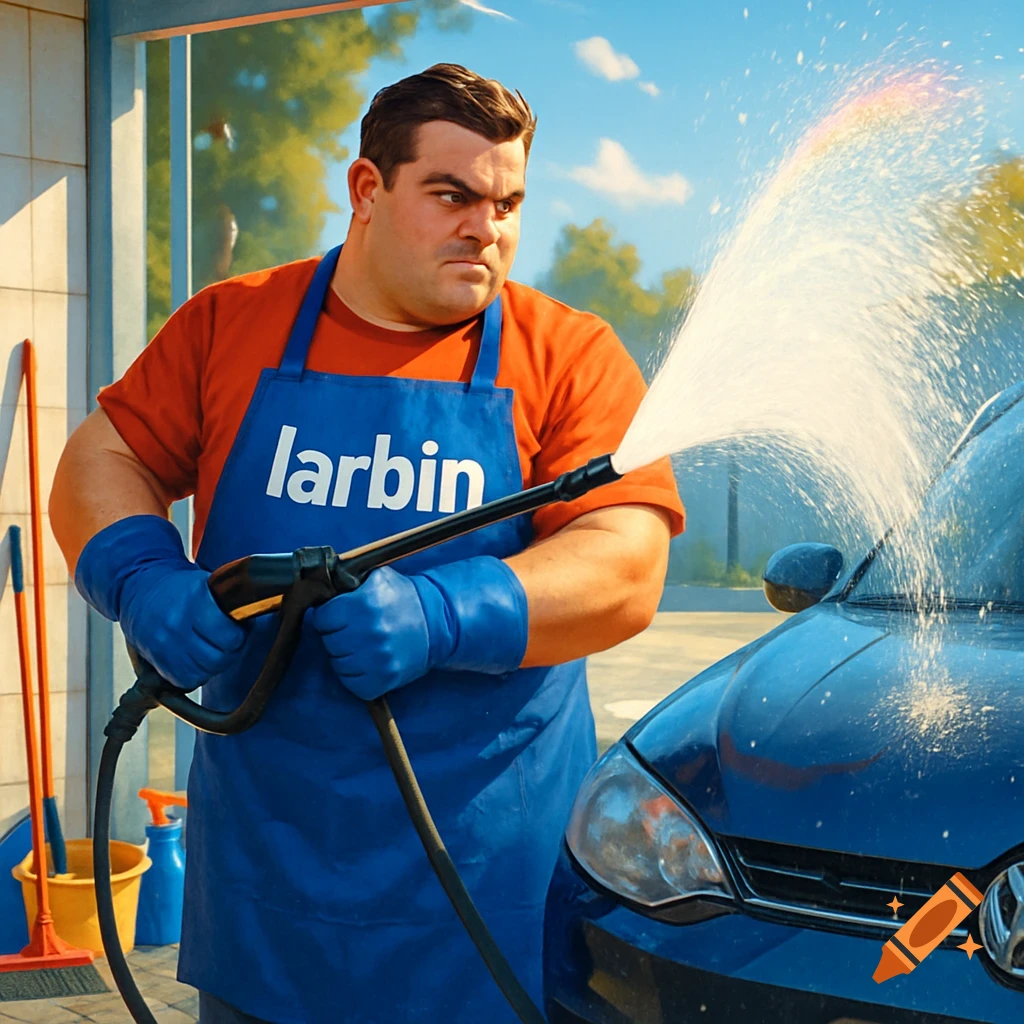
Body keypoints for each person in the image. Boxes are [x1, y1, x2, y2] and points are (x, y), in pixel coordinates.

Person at [50, 63, 684, 1023]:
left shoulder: (570, 353)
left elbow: (628, 564)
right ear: (365, 190)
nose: (488, 227)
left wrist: (445, 613)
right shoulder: (232, 323)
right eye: (452, 195)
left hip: (481, 881)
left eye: (509, 201)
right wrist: (140, 575)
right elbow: (101, 454)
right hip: (268, 871)